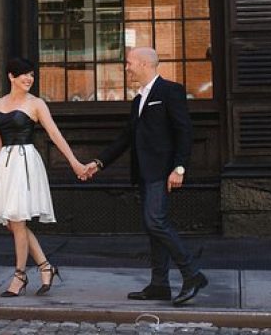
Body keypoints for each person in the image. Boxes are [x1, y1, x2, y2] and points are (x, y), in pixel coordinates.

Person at [83, 47, 208, 306]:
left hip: (162, 171)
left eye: (129, 63)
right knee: (153, 229)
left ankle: (192, 274)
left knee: (156, 222)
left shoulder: (170, 91)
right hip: (144, 171)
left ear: (143, 64)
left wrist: (179, 168)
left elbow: (184, 131)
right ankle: (159, 285)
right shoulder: (138, 100)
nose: (126, 68)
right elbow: (126, 137)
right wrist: (99, 162)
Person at [0, 57, 87, 297]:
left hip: (24, 164)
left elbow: (55, 134)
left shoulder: (37, 104)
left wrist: (74, 162)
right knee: (12, 223)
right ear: (11, 76)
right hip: (6, 167)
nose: (29, 78)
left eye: (32, 74)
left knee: (18, 221)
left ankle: (19, 276)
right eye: (24, 74)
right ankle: (45, 266)